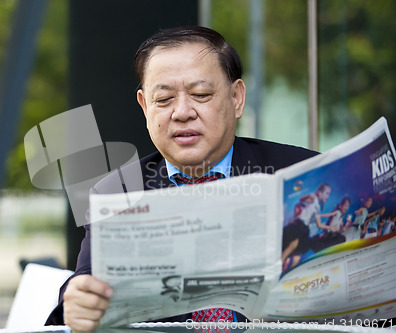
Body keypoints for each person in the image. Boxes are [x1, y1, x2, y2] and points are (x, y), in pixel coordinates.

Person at [45, 26, 318, 331]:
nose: (182, 112)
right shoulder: (118, 192)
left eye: (201, 94)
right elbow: (84, 286)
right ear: (145, 107)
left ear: (237, 98)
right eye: (163, 99)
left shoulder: (303, 174)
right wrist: (78, 301)